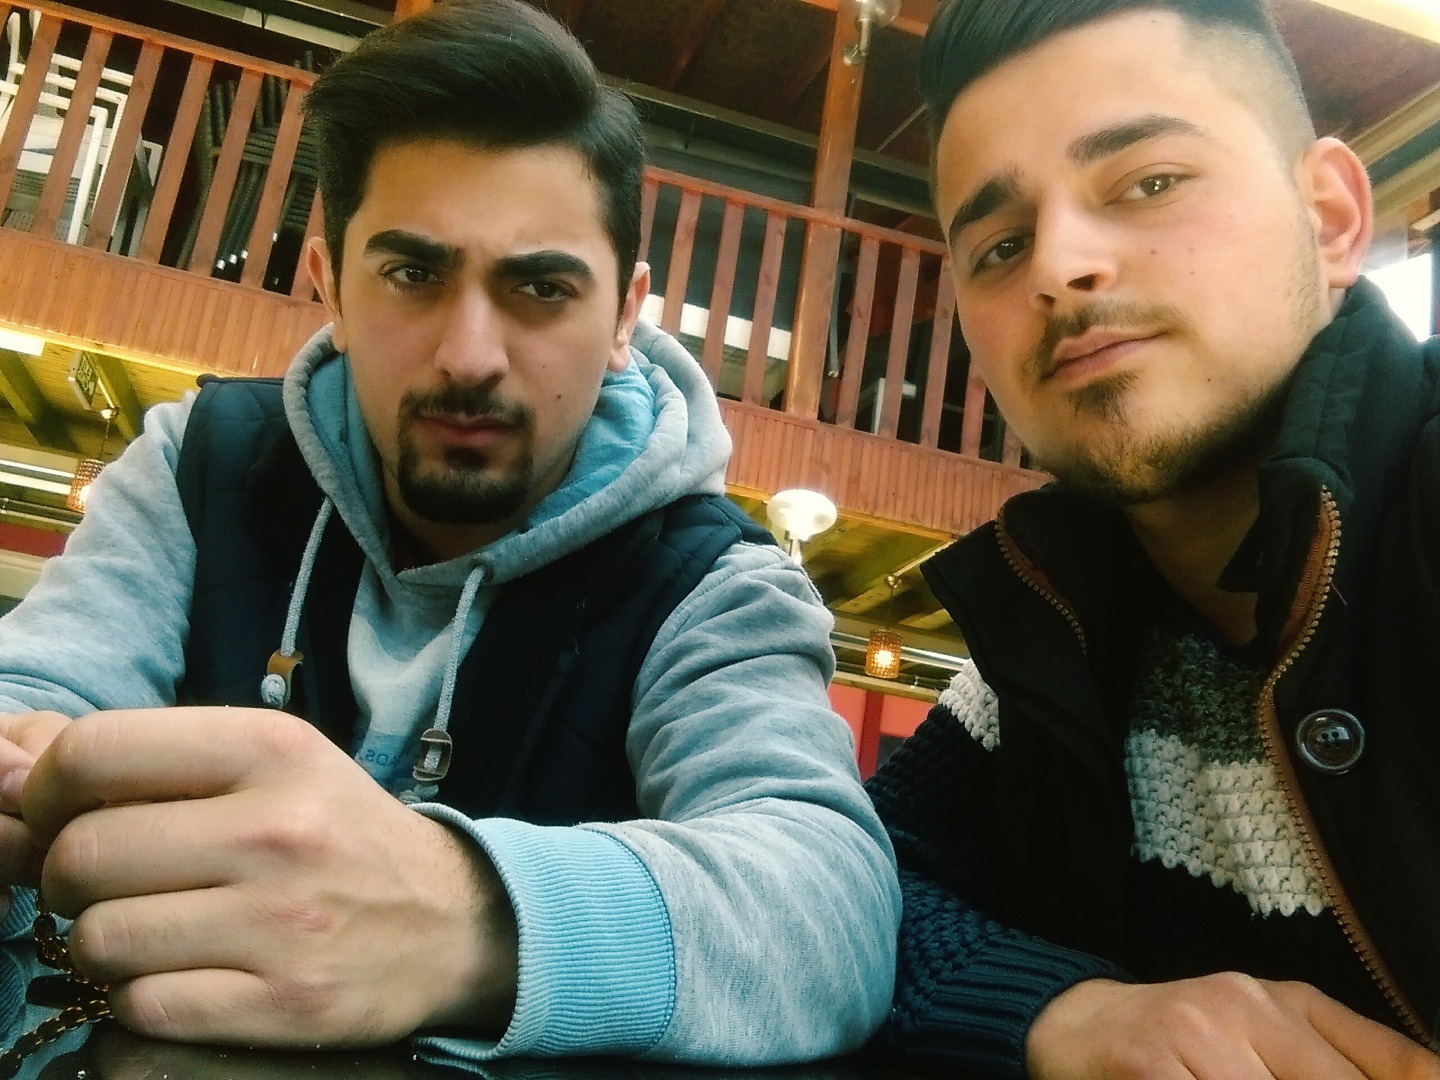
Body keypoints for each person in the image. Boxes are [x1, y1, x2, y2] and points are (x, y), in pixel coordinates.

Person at [0, 0, 900, 1066]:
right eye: (414, 275)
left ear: (625, 316)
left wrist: (465, 916)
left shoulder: (715, 582)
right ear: (331, 286)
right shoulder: (203, 460)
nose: (471, 354)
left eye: (541, 288)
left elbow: (831, 911)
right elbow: (33, 697)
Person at [863, 0, 1440, 1077]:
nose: (1058, 265)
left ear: (1330, 218)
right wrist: (1058, 1008)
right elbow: (848, 888)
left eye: (1149, 183)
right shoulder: (1056, 639)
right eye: (999, 245)